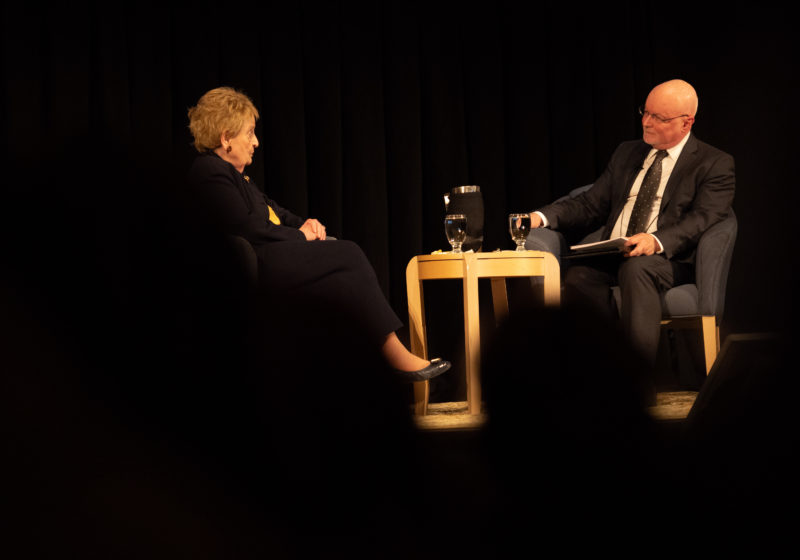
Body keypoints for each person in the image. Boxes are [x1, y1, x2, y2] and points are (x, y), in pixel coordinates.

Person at [186, 86, 449, 382]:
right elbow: (247, 228)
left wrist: (306, 224)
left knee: (341, 274)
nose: (256, 142)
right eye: (249, 133)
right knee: (348, 253)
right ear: (225, 138)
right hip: (258, 265)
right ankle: (393, 355)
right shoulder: (209, 171)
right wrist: (301, 237)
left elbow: (275, 212)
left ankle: (361, 371)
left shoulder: (239, 176)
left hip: (274, 257)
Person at [527, 79, 735, 392]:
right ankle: (591, 379)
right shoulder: (628, 152)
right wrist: (541, 217)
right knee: (579, 278)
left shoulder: (714, 163)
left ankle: (635, 385)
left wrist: (656, 241)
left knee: (637, 269)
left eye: (658, 117)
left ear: (686, 122)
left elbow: (705, 218)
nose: (646, 122)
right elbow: (590, 203)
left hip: (668, 260)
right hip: (615, 252)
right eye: (645, 112)